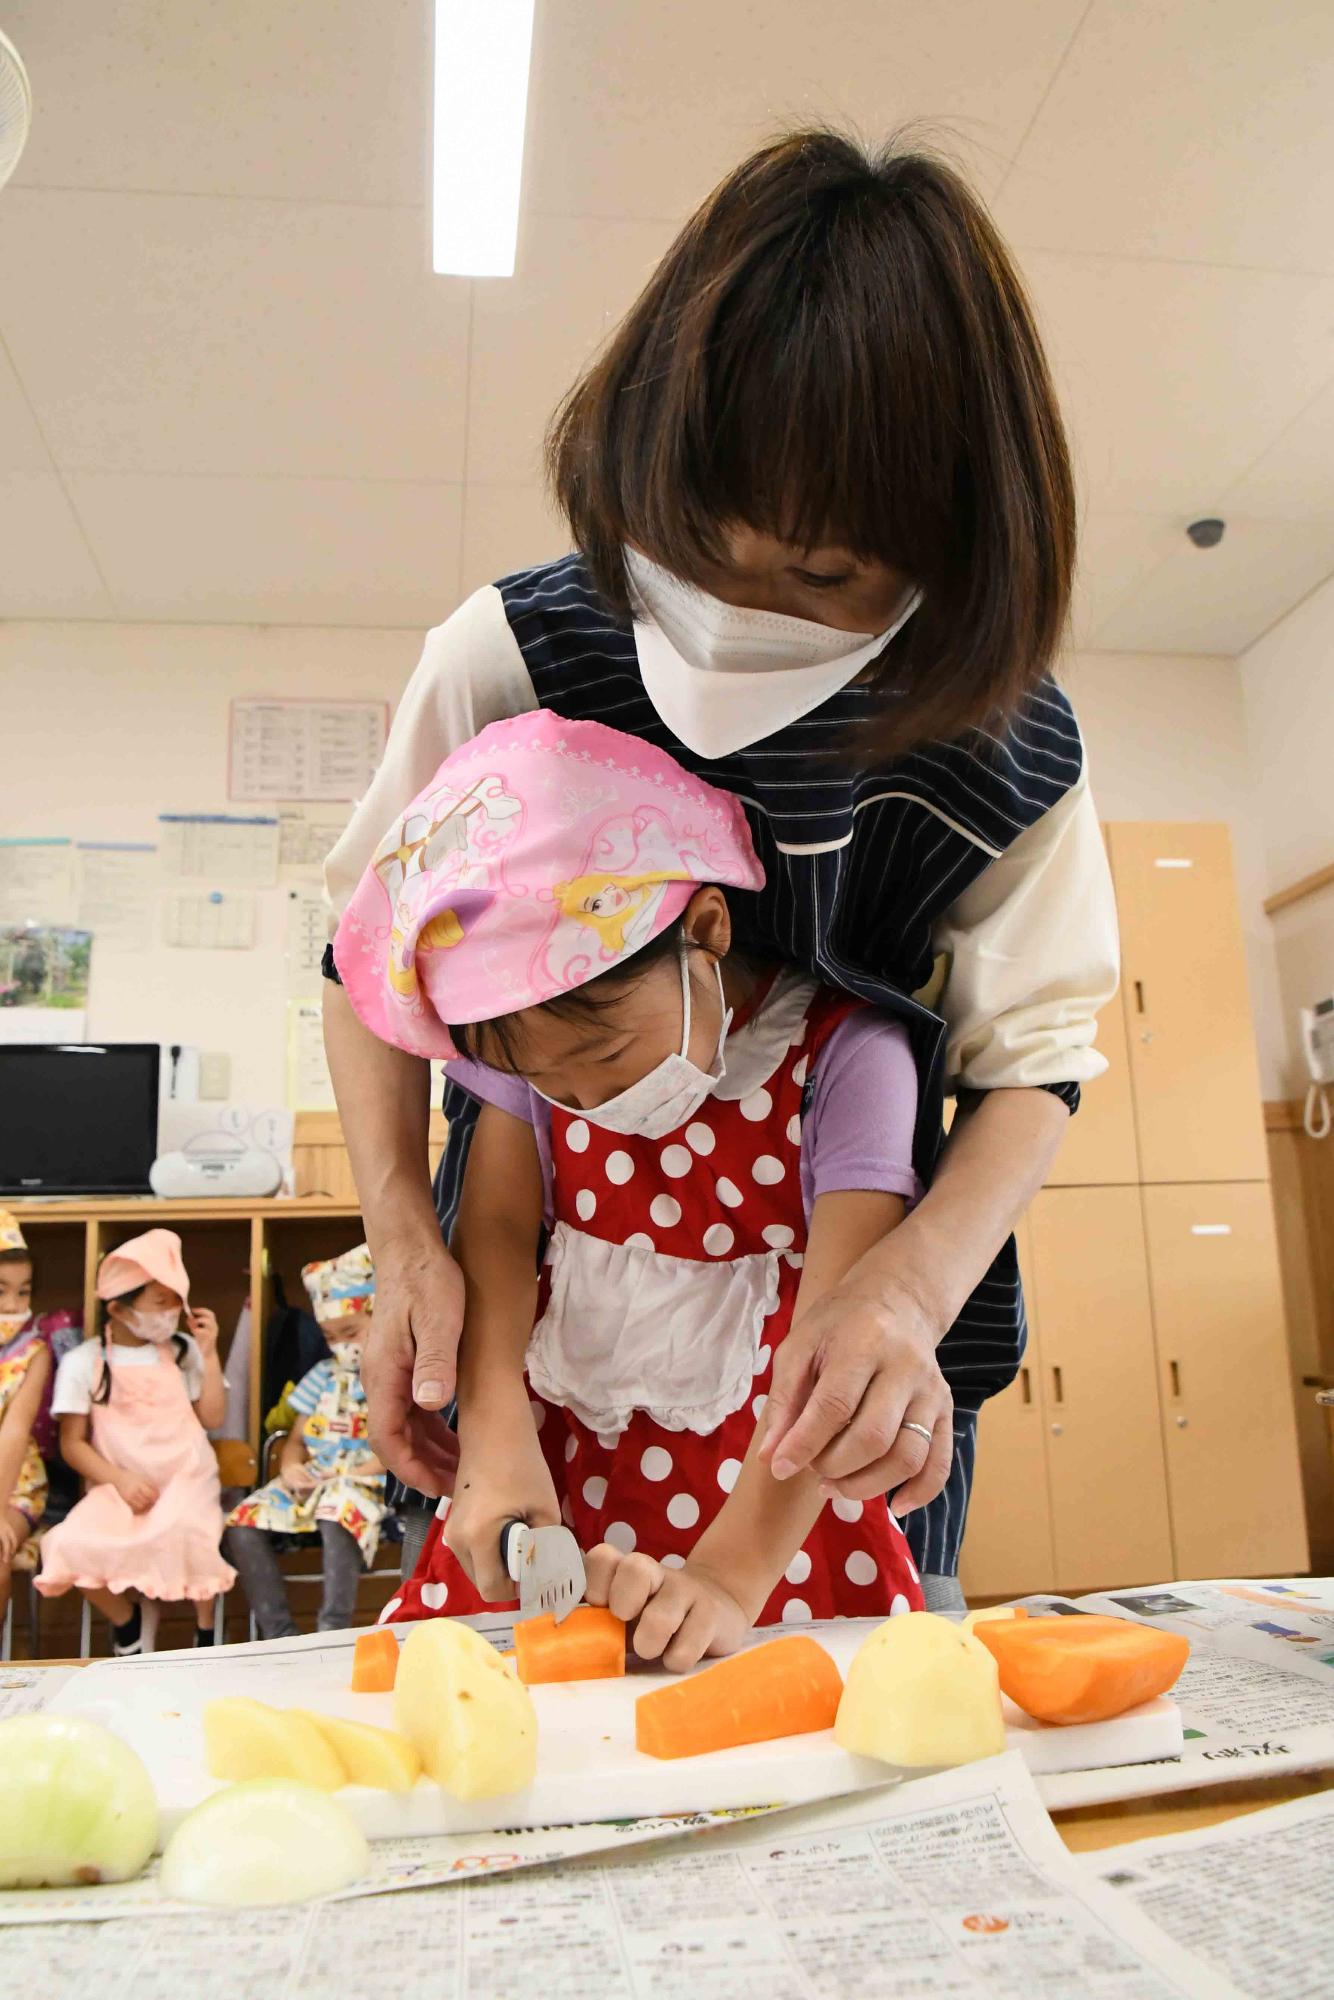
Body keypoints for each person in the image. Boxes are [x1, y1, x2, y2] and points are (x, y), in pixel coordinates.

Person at [323, 131, 1119, 1615]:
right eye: (694, 546)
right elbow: (372, 967)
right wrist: (399, 1237)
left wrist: (907, 1287)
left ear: (945, 550)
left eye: (820, 579)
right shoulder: (513, 656)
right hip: (545, 1349)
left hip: (828, 1374)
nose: (733, 617)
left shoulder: (999, 742)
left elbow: (1035, 1057)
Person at [337, 715, 925, 1662]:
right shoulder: (530, 1048)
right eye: (550, 1091)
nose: (586, 1105)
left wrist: (730, 1577)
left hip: (772, 1513)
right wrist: (492, 1434)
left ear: (705, 927)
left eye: (606, 1057)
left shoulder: (848, 1060)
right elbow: (493, 1232)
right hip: (561, 1480)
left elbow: (841, 1344)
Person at [36, 1229, 234, 1654]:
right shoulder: (83, 1361)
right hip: (118, 1487)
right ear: (119, 1309)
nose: (172, 1313)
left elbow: (213, 1418)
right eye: (160, 1302)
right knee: (68, 1543)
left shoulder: (183, 1351)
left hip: (186, 1478)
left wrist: (210, 1353)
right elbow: (72, 1443)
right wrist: (118, 1479)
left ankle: (206, 1631)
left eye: (175, 1301)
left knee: (187, 1530)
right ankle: (127, 1622)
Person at [225, 1246, 388, 1638]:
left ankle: (332, 1631)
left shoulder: (399, 1372)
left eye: (350, 1333)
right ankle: (278, 1634)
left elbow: (411, 1445)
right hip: (318, 1478)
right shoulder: (322, 1374)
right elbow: (297, 1439)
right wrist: (291, 1466)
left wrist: (350, 1477)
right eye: (331, 1337)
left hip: (374, 1482)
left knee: (337, 1511)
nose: (340, 1345)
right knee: (241, 1522)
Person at [0, 1212, 52, 1624]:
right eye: (0, 1291)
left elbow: (14, 1433)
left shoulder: (32, 1354)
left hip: (12, 1485)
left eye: (23, 1292)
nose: (12, 1306)